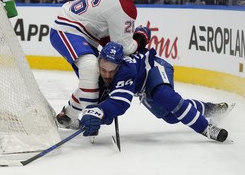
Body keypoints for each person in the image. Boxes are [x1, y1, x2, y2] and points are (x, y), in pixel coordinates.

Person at [50, 0, 148, 129]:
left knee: (96, 81)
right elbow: (124, 47)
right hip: (67, 29)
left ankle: (67, 116)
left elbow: (107, 33)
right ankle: (91, 117)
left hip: (82, 32)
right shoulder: (124, 5)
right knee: (90, 68)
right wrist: (140, 39)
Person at [80, 41, 234, 142]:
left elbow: (120, 103)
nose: (107, 75)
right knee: (172, 117)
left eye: (111, 71)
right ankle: (213, 109)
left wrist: (99, 111)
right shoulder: (95, 70)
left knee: (164, 96)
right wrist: (98, 117)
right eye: (103, 70)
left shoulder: (126, 70)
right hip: (143, 88)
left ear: (119, 66)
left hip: (154, 69)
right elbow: (105, 105)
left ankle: (206, 128)